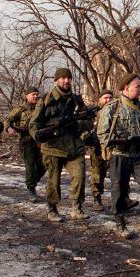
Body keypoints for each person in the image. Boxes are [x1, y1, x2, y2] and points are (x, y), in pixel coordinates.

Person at [97, 73, 140, 239]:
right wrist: (120, 141)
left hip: (139, 154)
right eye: (137, 86)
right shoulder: (111, 108)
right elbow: (102, 134)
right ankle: (120, 223)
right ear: (126, 88)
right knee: (119, 189)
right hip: (119, 154)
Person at [30, 68, 89, 222]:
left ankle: (76, 207)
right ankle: (52, 208)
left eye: (68, 78)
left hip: (73, 147)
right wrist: (38, 135)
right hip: (52, 147)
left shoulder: (77, 100)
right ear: (56, 81)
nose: (66, 81)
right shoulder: (46, 100)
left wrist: (78, 125)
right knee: (53, 181)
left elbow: (88, 120)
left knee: (80, 176)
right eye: (62, 78)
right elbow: (34, 124)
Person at [4, 87, 46, 202]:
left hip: (40, 140)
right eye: (33, 94)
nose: (36, 96)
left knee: (45, 164)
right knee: (30, 165)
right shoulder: (20, 109)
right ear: (27, 96)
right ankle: (31, 189)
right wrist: (9, 128)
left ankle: (32, 181)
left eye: (37, 94)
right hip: (26, 140)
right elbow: (7, 119)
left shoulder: (42, 108)